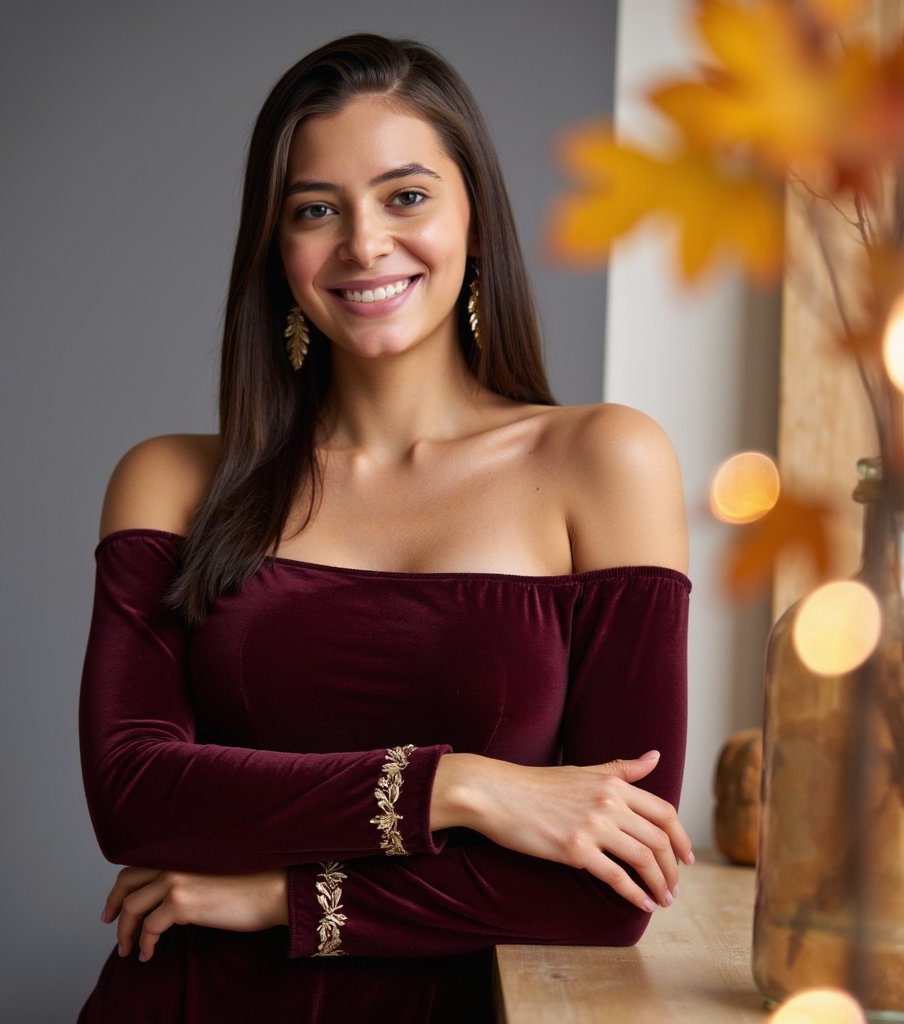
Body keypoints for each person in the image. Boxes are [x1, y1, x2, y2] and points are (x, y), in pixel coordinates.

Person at [76, 32, 693, 1024]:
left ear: (476, 220)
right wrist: (462, 786)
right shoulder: (170, 481)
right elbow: (135, 793)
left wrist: (280, 897)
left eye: (405, 196)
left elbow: (609, 885)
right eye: (316, 210)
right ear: (278, 252)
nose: (363, 244)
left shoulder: (603, 461)